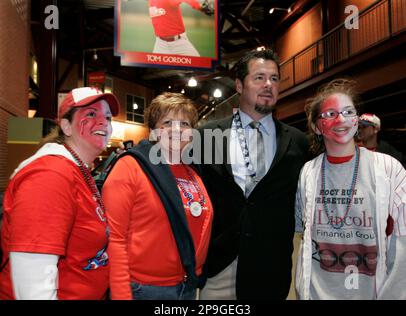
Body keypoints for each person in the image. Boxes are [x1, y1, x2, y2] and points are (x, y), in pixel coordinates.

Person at [198, 49, 309, 300]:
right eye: (259, 77)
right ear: (239, 85)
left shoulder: (298, 142)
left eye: (274, 78)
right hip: (220, 268)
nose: (268, 85)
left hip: (271, 270)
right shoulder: (206, 136)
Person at [0, 87, 120, 299]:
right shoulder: (50, 175)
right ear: (66, 126)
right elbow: (33, 279)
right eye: (91, 114)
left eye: (108, 117)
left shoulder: (77, 170)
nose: (103, 122)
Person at [295, 79, 406, 300]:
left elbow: (403, 241)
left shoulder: (389, 169)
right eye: (330, 114)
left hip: (371, 293)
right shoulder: (308, 171)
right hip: (316, 293)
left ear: (356, 120)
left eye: (348, 111)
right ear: (317, 127)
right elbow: (303, 229)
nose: (341, 119)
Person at [102, 92, 213, 300]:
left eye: (185, 123)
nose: (177, 129)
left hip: (186, 286)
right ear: (153, 131)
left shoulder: (193, 170)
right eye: (168, 122)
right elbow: (114, 239)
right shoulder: (130, 167)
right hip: (145, 290)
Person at [148, 0, 214, 56]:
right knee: (154, 69)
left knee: (199, 66)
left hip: (179, 43)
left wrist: (200, 7)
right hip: (160, 44)